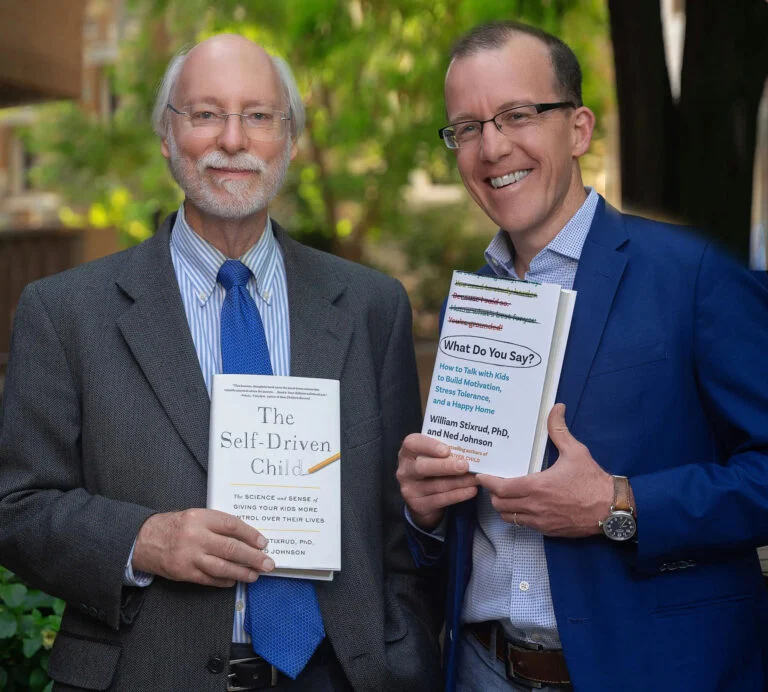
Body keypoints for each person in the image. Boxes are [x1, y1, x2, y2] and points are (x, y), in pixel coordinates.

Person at [0, 34, 442, 691]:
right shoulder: (65, 314)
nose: (233, 139)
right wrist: (142, 540)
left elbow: (397, 519)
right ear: (166, 138)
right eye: (205, 114)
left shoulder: (371, 307)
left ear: (288, 140)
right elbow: (17, 509)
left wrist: (402, 654)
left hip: (341, 676)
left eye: (259, 116)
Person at [397, 21, 768, 692]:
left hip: (655, 671)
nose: (492, 146)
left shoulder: (694, 276)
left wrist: (618, 503)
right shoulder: (472, 304)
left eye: (517, 114)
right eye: (468, 127)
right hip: (481, 671)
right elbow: (461, 535)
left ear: (578, 128)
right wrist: (425, 509)